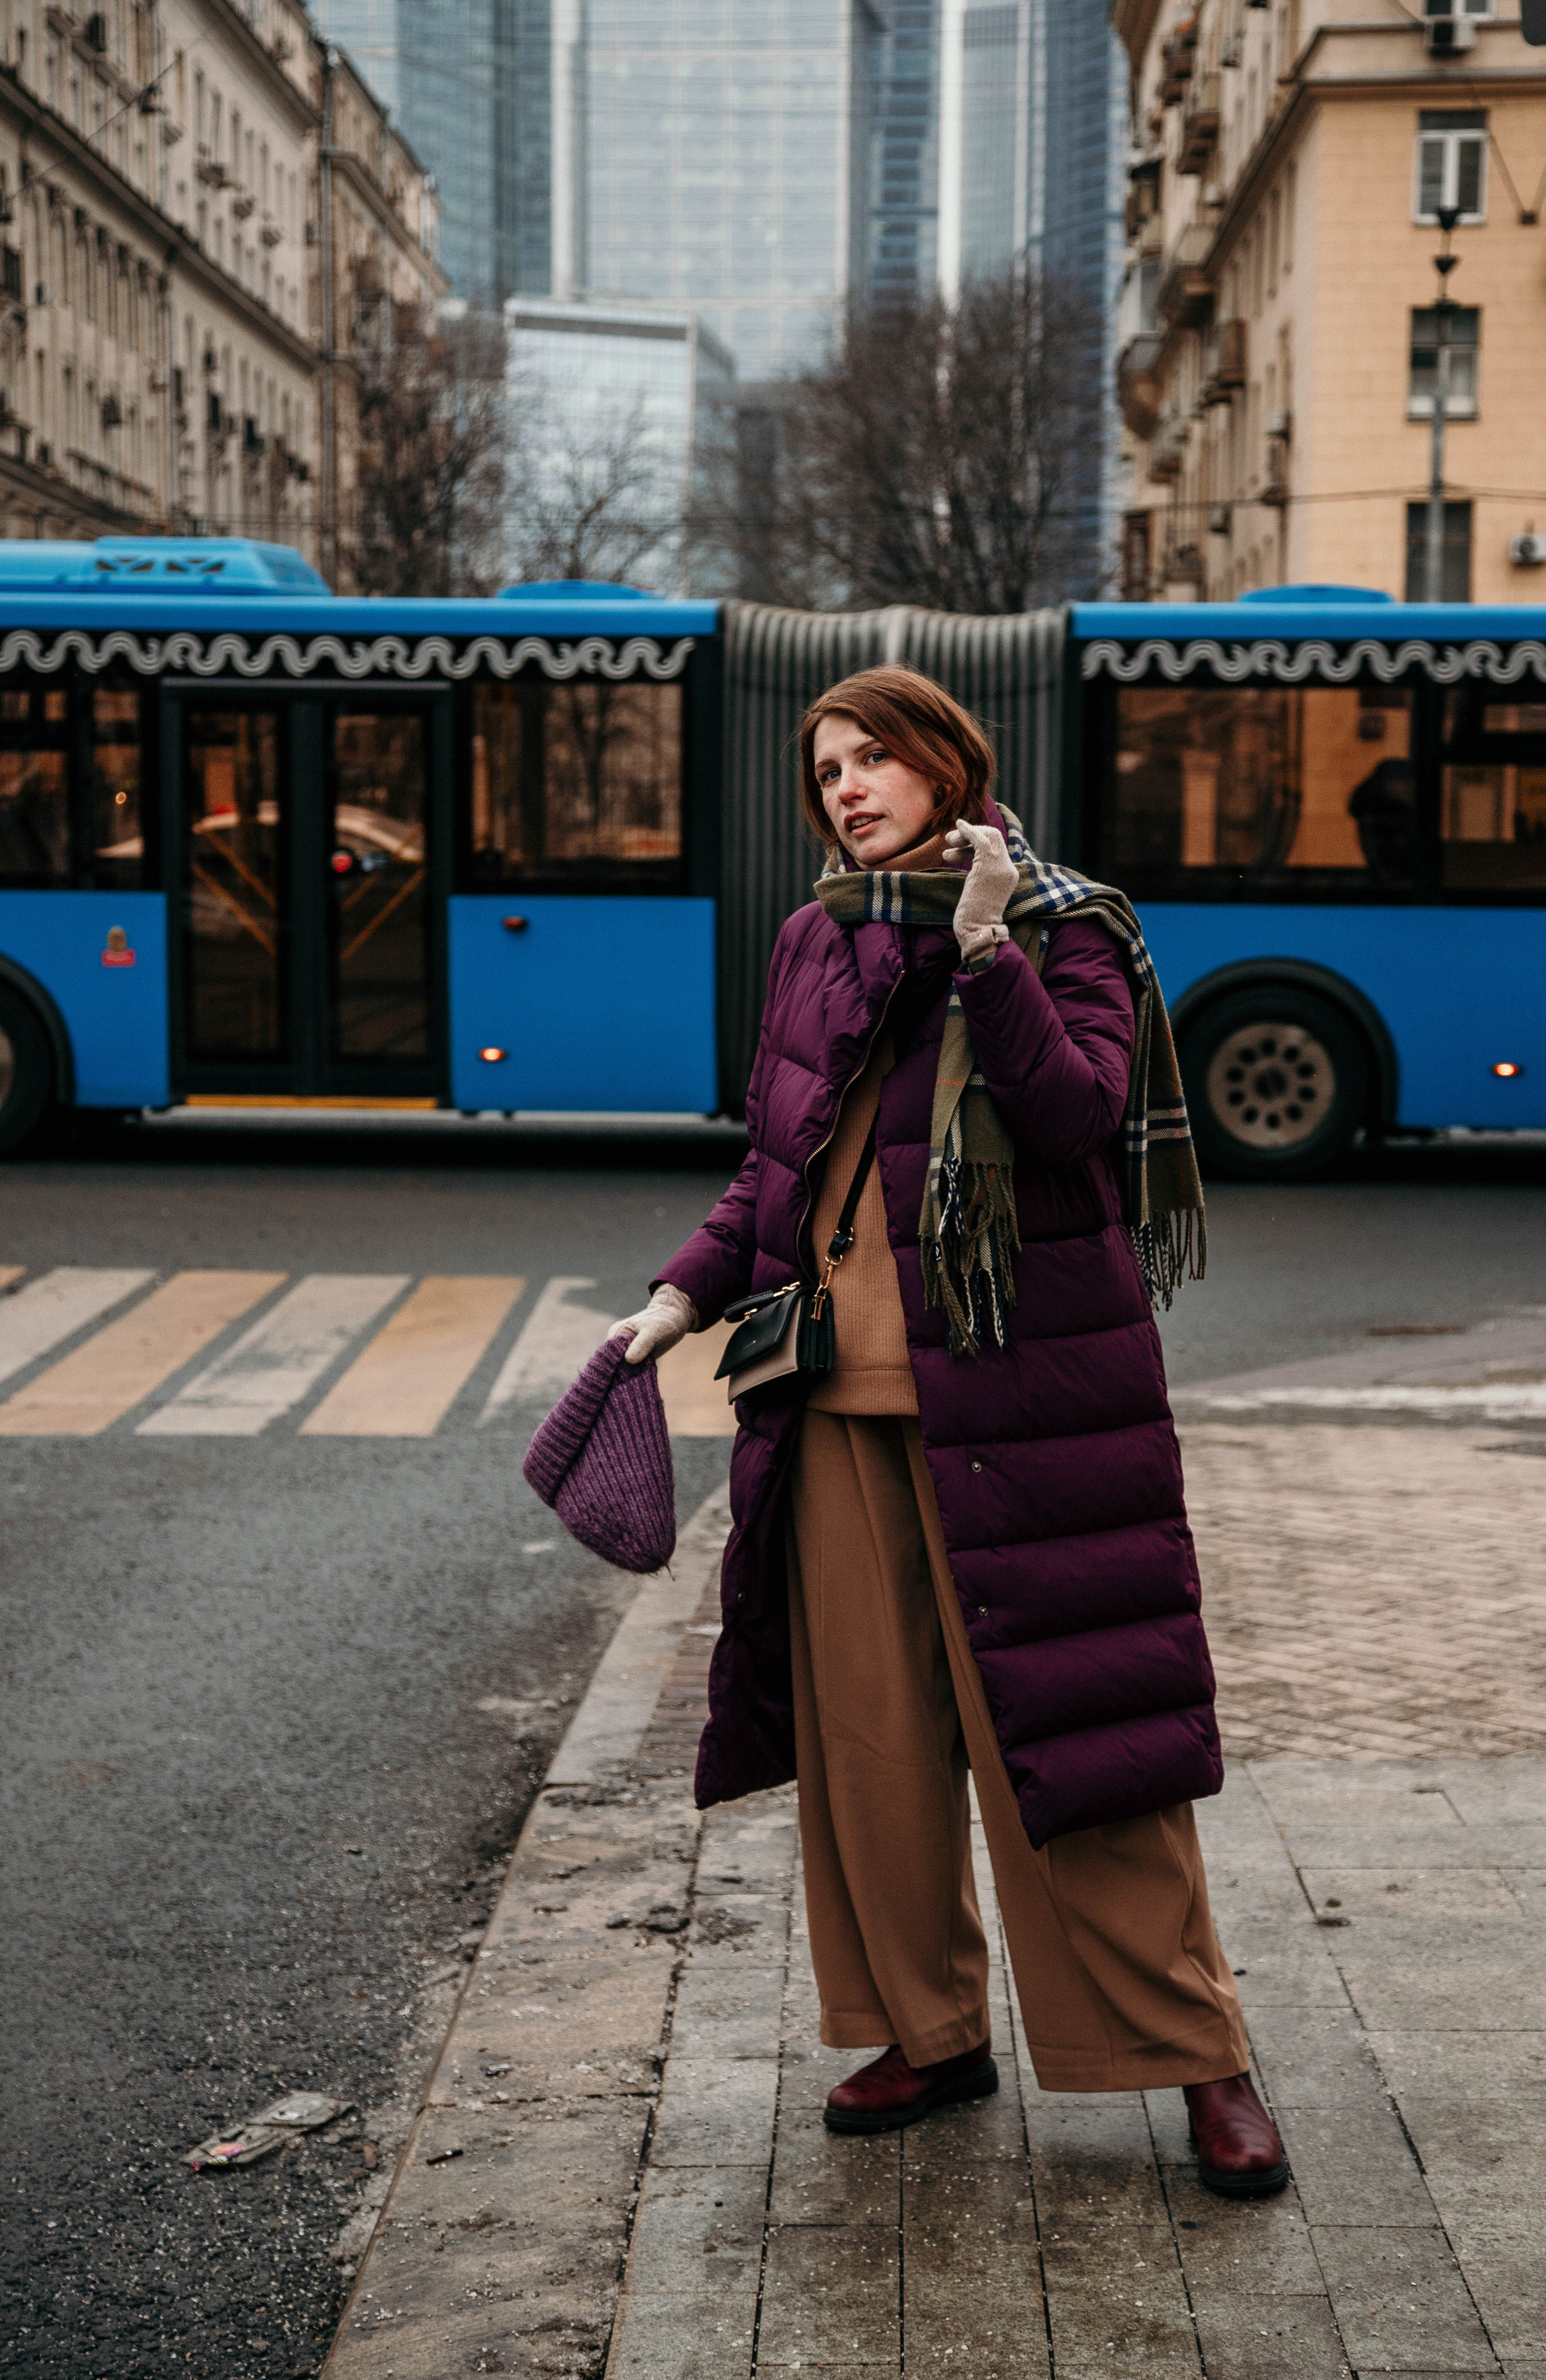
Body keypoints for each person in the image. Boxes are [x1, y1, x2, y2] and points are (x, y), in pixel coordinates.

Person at [606, 667, 1287, 2194]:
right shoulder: (814, 938)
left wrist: (984, 951)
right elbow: (774, 1168)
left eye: (872, 757)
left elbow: (1075, 1120)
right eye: (825, 769)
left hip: (1021, 1405)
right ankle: (926, 2032)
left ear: (944, 764)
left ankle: (1199, 2054)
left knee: (1081, 1740)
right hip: (832, 1402)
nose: (846, 787)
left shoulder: (1064, 924)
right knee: (872, 1748)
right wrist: (676, 1297)